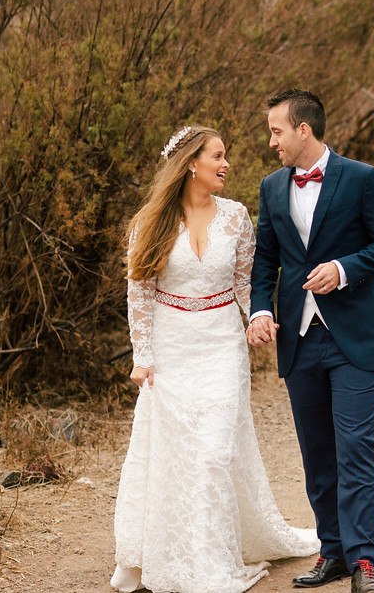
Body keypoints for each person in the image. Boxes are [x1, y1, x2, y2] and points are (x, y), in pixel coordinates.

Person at [110, 126, 319, 593]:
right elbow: (139, 291)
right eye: (218, 156)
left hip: (223, 344)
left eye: (226, 157)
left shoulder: (236, 216)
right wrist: (142, 356)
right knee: (175, 453)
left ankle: (209, 560)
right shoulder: (151, 222)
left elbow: (248, 281)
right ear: (190, 164)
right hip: (171, 348)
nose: (226, 165)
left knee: (215, 452)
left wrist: (257, 317)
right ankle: (168, 552)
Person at [246, 90, 374, 593]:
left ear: (303, 131)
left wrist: (343, 269)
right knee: (317, 452)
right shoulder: (272, 188)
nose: (271, 141)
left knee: (355, 447)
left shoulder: (361, 178)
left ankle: (364, 564)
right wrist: (263, 308)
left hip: (354, 337)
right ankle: (332, 552)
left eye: (276, 131)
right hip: (298, 338)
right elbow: (265, 260)